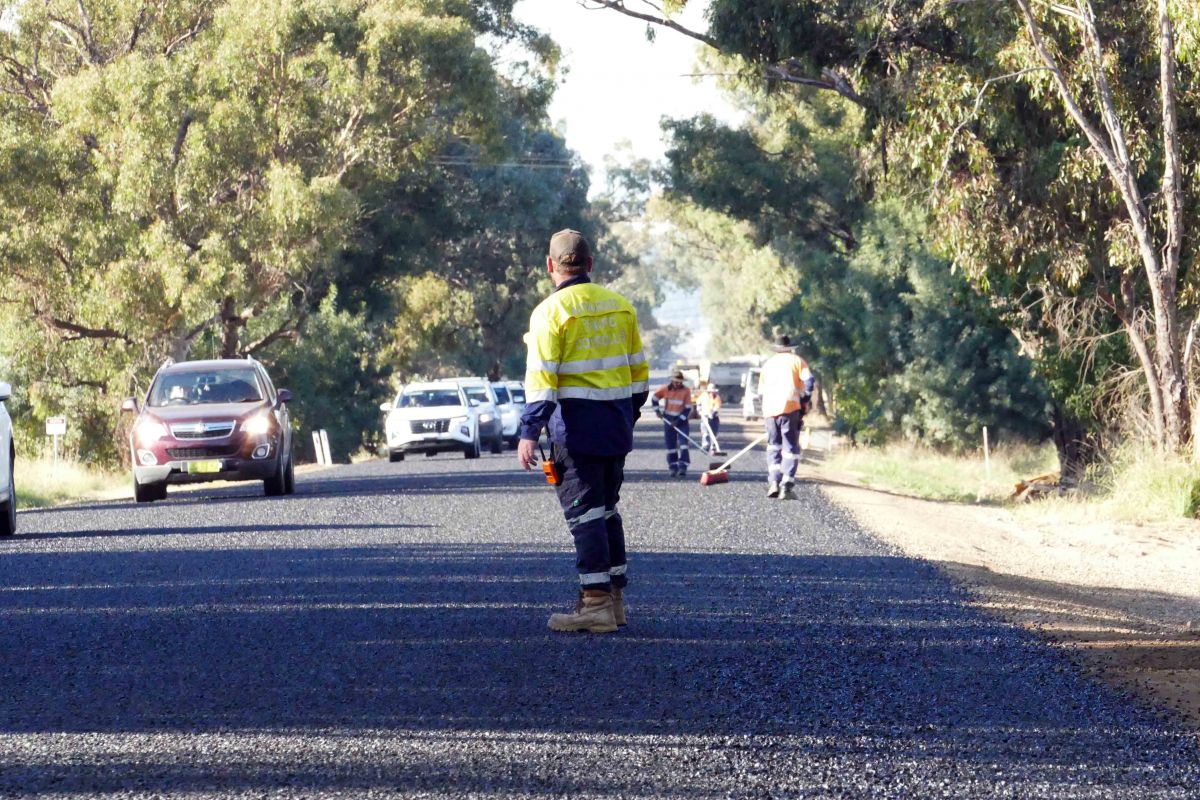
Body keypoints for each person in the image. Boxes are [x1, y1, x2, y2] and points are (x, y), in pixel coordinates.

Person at [517, 229, 650, 633]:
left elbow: (542, 380)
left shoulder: (550, 313)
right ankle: (615, 601)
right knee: (607, 510)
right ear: (590, 264)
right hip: (615, 427)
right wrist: (625, 416)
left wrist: (529, 431)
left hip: (574, 431)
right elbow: (640, 377)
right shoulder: (621, 307)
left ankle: (594, 605)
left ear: (550, 266)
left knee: (584, 515)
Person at [758, 335, 814, 499]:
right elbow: (809, 382)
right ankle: (786, 486)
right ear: (790, 347)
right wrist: (805, 399)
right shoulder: (797, 361)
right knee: (790, 447)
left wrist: (768, 409)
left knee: (773, 446)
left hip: (769, 410)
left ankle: (774, 482)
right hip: (790, 409)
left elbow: (760, 393)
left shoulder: (767, 365)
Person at [651, 370, 692, 477]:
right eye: (676, 381)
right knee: (671, 445)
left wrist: (678, 421)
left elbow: (688, 408)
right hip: (668, 420)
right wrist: (657, 411)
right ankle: (673, 467)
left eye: (680, 382)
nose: (678, 384)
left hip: (681, 421)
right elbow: (654, 398)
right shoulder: (665, 389)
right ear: (672, 380)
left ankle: (683, 466)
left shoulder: (686, 391)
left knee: (683, 444)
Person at [697, 383, 722, 454]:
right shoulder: (703, 396)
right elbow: (698, 404)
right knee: (705, 432)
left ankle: (713, 447)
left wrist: (713, 412)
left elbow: (717, 406)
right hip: (705, 417)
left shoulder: (717, 397)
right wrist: (700, 411)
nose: (712, 393)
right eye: (711, 391)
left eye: (713, 391)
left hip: (714, 418)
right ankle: (705, 446)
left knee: (714, 433)